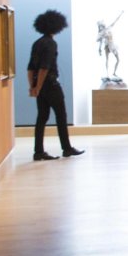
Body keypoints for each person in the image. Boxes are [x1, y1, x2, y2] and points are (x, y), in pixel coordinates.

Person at [27, 10, 85, 161]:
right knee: (61, 116)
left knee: (42, 117)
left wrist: (33, 86)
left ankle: (38, 151)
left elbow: (31, 67)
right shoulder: (51, 43)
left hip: (40, 85)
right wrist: (38, 86)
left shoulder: (37, 43)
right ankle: (66, 148)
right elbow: (44, 68)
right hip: (51, 85)